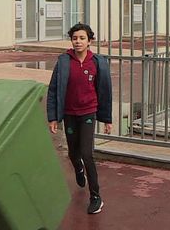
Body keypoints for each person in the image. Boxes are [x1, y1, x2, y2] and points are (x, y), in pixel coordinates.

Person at [46, 23, 113, 215]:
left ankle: (95, 196)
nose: (78, 41)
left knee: (87, 153)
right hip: (69, 114)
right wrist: (53, 117)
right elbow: (53, 90)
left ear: (89, 41)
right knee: (73, 154)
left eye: (82, 38)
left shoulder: (97, 62)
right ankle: (78, 169)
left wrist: (107, 119)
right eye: (75, 38)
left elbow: (105, 91)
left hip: (88, 113)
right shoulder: (64, 62)